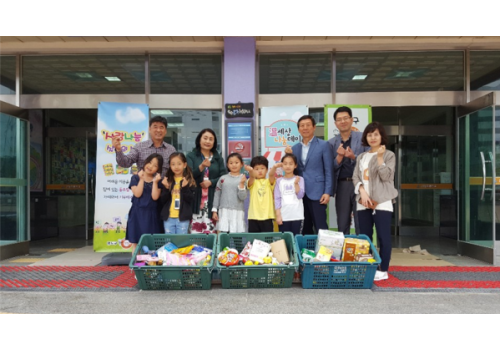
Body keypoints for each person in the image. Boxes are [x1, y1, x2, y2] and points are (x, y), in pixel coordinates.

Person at [353, 122, 398, 282]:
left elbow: (386, 177)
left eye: (376, 134)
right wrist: (362, 191)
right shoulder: (361, 157)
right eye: (369, 135)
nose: (372, 138)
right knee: (364, 238)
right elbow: (356, 177)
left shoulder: (389, 155)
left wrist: (379, 158)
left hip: (382, 202)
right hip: (363, 202)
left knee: (383, 237)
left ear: (381, 137)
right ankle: (367, 267)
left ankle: (383, 269)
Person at [285, 115, 333, 234]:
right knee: (304, 227)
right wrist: (288, 155)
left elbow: (329, 170)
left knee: (321, 227)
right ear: (298, 129)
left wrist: (327, 192)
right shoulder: (295, 148)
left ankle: (325, 252)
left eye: (308, 125)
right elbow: (292, 169)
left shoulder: (323, 145)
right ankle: (307, 252)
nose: (305, 128)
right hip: (300, 193)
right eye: (302, 126)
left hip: (318, 192)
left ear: (314, 127)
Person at [328, 106, 370, 235]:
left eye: (345, 118)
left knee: (361, 221)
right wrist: (340, 157)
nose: (343, 121)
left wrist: (353, 157)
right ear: (335, 123)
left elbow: (369, 161)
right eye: (339, 119)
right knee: (342, 222)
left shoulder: (363, 138)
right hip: (342, 185)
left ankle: (363, 253)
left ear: (352, 120)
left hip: (361, 185)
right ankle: (342, 253)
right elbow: (330, 167)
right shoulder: (331, 143)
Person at [187, 129, 227, 234]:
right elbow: (188, 176)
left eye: (211, 139)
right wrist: (201, 166)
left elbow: (224, 177)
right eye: (205, 138)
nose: (208, 141)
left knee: (211, 232)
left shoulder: (218, 158)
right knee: (195, 231)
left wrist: (211, 182)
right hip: (196, 198)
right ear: (199, 140)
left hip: (212, 198)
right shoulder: (191, 156)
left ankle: (211, 250)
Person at [125, 154, 164, 254]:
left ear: (158, 169)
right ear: (145, 162)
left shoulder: (158, 181)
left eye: (155, 165)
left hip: (152, 215)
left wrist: (155, 182)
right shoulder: (135, 178)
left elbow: (155, 197)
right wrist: (141, 179)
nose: (151, 166)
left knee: (153, 243)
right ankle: (136, 267)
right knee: (136, 243)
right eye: (150, 163)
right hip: (137, 214)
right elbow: (137, 194)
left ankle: (151, 267)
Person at [160, 153, 197, 234]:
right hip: (169, 217)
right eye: (173, 164)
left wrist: (185, 188)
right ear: (170, 165)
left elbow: (191, 199)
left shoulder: (188, 180)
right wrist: (166, 188)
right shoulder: (168, 180)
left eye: (179, 164)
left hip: (183, 218)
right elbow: (162, 200)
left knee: (182, 241)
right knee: (169, 241)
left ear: (184, 165)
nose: (176, 167)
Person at [212, 153, 248, 234]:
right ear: (227, 165)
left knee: (236, 237)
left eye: (236, 162)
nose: (234, 165)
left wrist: (242, 184)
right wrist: (214, 210)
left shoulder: (243, 178)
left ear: (242, 164)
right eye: (231, 163)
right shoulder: (223, 178)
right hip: (223, 211)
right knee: (223, 236)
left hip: (237, 212)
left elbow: (242, 197)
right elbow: (217, 194)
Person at [245, 156, 279, 233]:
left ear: (266, 169)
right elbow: (252, 177)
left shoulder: (269, 181)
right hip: (253, 217)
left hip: (267, 217)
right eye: (256, 169)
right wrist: (250, 171)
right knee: (254, 242)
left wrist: (275, 167)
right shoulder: (252, 181)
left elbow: (271, 175)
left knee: (267, 242)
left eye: (262, 168)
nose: (260, 171)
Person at [274, 154, 305, 236]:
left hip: (297, 215)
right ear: (282, 165)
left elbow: (300, 196)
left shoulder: (300, 179)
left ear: (295, 166)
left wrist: (296, 184)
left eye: (291, 164)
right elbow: (277, 199)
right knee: (285, 241)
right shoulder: (279, 181)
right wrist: (278, 216)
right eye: (285, 163)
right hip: (284, 216)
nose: (288, 166)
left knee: (296, 240)